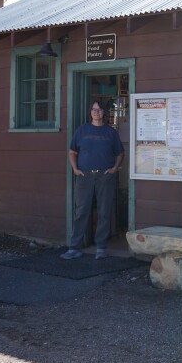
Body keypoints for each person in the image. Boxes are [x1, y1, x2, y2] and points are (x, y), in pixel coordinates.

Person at [61, 100, 125, 260]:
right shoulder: (82, 130)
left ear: (104, 113)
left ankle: (101, 247)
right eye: (94, 109)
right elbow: (72, 152)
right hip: (85, 176)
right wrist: (75, 169)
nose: (96, 112)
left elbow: (120, 153)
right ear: (90, 112)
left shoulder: (111, 133)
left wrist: (114, 168)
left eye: (99, 109)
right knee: (81, 211)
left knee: (104, 211)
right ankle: (74, 247)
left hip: (105, 176)